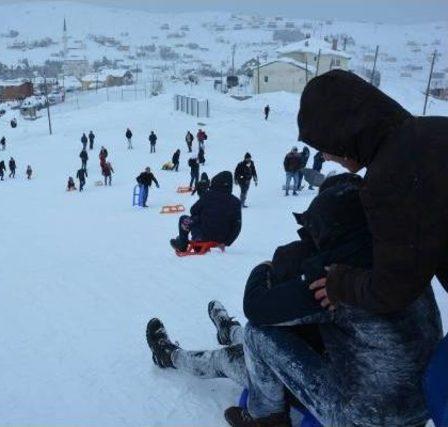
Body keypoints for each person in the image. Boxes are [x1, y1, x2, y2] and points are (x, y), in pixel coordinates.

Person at [150, 181, 442, 427]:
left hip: (364, 413)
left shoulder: (336, 277)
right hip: (416, 407)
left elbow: (259, 308)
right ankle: (229, 330)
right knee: (274, 337)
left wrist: (265, 268)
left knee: (248, 344)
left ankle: (171, 355)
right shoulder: (399, 263)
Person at [297, 69, 448, 314]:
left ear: (341, 133)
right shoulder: (434, 129)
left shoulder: (391, 179)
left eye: (324, 145)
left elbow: (393, 290)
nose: (325, 156)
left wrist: (340, 283)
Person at [170, 171, 241, 252]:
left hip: (205, 236)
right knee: (201, 218)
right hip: (222, 238)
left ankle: (184, 243)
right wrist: (227, 242)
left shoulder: (208, 195)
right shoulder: (236, 202)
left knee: (185, 219)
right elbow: (237, 226)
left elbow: (193, 210)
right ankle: (198, 239)